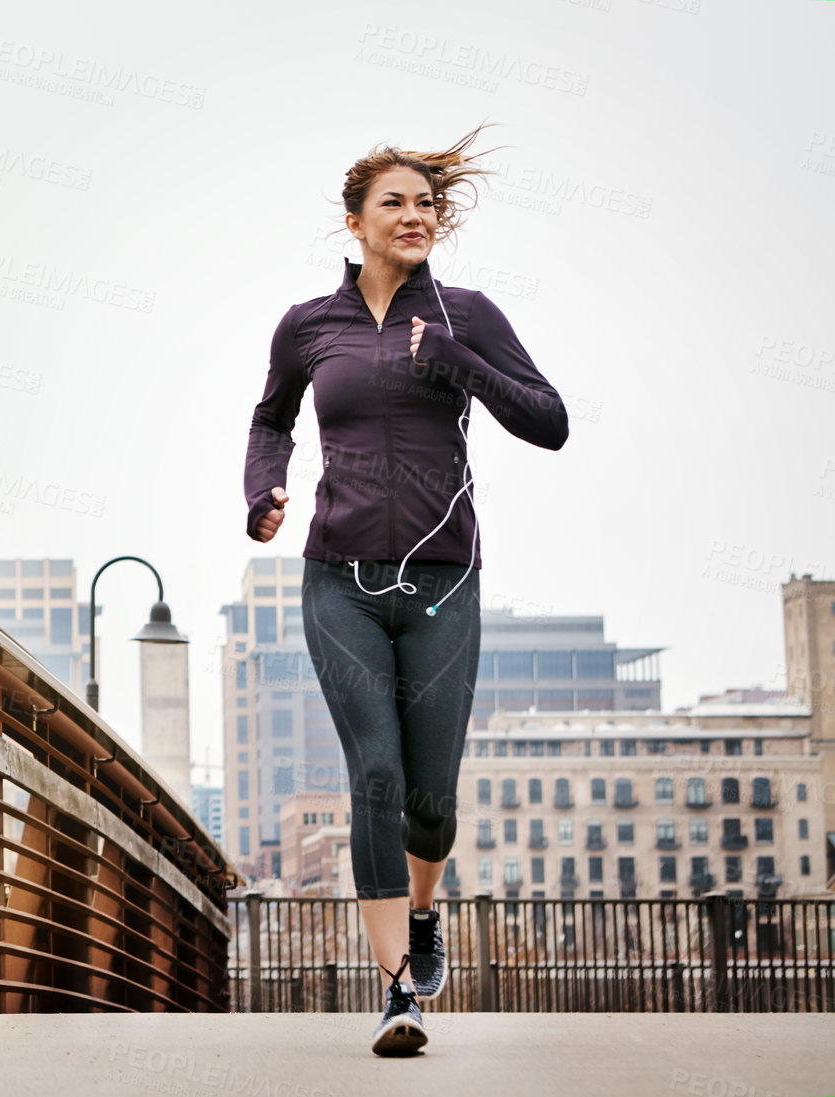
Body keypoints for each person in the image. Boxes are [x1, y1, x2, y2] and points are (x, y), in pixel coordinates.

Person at [241, 122, 568, 1056]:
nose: (416, 215)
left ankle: (424, 919)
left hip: (443, 582)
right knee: (374, 775)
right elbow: (270, 418)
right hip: (336, 577)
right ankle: (397, 994)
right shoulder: (309, 324)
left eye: (427, 203)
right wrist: (261, 490)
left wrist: (457, 365)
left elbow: (549, 422)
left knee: (431, 793)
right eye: (396, 202)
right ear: (356, 221)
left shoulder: (468, 315)